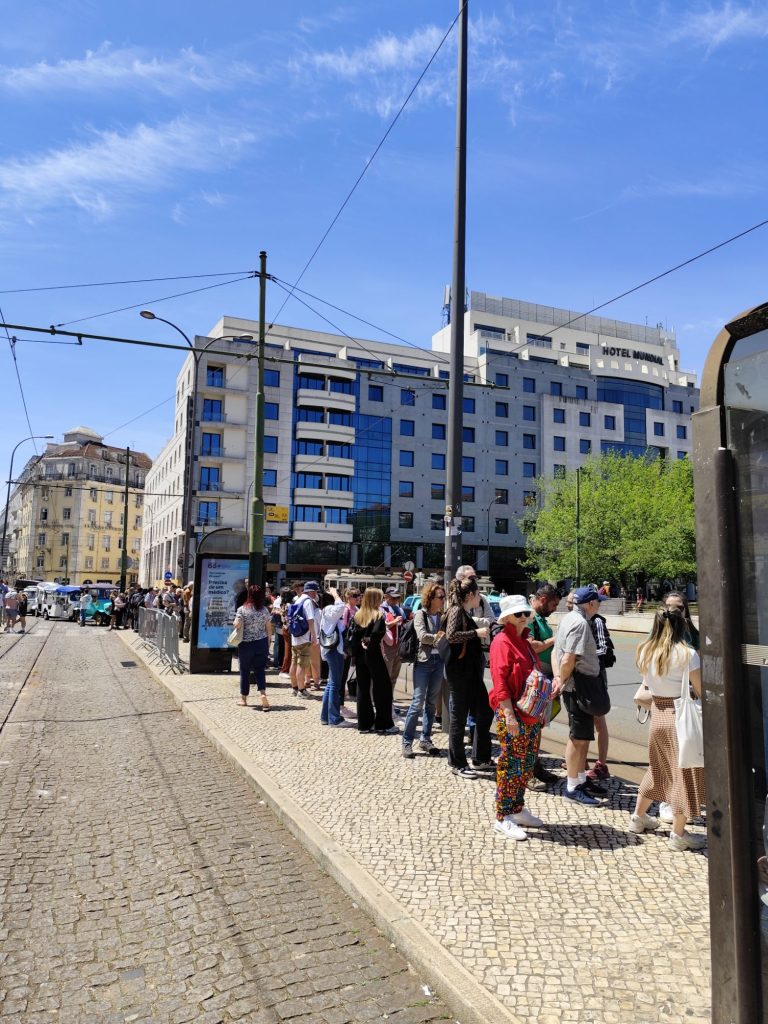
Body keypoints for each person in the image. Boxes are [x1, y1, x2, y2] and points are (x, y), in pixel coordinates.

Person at [629, 608, 706, 851]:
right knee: (685, 774)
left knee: (658, 768)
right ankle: (678, 834)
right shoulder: (687, 654)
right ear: (680, 627)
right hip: (679, 717)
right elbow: (701, 689)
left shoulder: (645, 650)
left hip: (658, 715)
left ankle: (638, 818)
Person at [490, 595, 550, 840]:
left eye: (526, 613)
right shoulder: (502, 642)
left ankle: (517, 808)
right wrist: (509, 715)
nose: (524, 617)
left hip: (530, 713)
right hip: (512, 712)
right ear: (506, 618)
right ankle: (503, 816)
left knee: (526, 764)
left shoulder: (525, 640)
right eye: (519, 614)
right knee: (511, 764)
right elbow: (500, 682)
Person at [552, 585, 610, 805]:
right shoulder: (579, 623)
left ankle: (581, 779)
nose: (600, 605)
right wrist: (562, 680)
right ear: (591, 603)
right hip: (579, 688)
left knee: (584, 736)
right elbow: (568, 658)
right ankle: (572, 787)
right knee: (577, 738)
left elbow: (558, 653)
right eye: (599, 601)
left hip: (576, 686)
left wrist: (559, 677)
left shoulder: (568, 619)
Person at [444, 575, 493, 779]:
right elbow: (451, 635)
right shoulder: (456, 610)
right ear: (471, 595)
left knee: (484, 711)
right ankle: (457, 762)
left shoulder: (463, 610)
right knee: (459, 718)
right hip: (460, 673)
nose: (480, 597)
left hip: (470, 672)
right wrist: (477, 633)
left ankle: (480, 758)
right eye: (478, 593)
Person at [402, 580, 447, 759]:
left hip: (439, 661)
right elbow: (422, 636)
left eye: (444, 597)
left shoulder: (442, 616)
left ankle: (425, 739)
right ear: (431, 598)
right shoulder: (421, 614)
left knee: (431, 703)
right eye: (440, 597)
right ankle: (406, 742)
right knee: (417, 702)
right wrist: (439, 638)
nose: (443, 600)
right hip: (423, 661)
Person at [527, 584, 562, 787]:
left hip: (543, 680)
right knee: (530, 726)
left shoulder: (541, 619)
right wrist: (555, 639)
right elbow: (532, 645)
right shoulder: (530, 617)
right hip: (533, 680)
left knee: (538, 726)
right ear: (542, 599)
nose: (555, 608)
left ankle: (535, 765)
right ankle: (528, 771)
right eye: (553, 604)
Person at [349, 587, 396, 734]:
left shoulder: (358, 615)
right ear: (376, 599)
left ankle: (364, 724)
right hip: (374, 655)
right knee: (383, 689)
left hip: (359, 657)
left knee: (363, 689)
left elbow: (353, 636)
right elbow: (377, 634)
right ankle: (383, 723)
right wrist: (370, 641)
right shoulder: (379, 615)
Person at [586, 602, 616, 782]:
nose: (569, 605)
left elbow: (604, 649)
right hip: (579, 679)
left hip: (596, 678)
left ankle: (601, 764)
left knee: (598, 720)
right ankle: (580, 761)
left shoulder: (597, 621)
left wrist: (581, 655)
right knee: (581, 721)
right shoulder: (575, 619)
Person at [233, 584, 273, 709]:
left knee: (244, 671)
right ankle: (262, 694)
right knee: (260, 670)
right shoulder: (264, 610)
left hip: (246, 644)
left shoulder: (242, 609)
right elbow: (268, 628)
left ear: (249, 595)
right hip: (261, 643)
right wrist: (268, 642)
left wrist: (237, 622)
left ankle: (243, 698)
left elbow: (237, 624)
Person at [318, 588, 349, 727]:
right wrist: (336, 594)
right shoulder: (330, 609)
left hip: (331, 650)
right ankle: (334, 718)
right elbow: (341, 607)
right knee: (335, 684)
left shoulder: (325, 611)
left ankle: (326, 716)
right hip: (334, 650)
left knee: (331, 684)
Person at [289, 582, 319, 698]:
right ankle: (301, 691)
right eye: (315, 591)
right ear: (310, 591)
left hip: (295, 636)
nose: (316, 594)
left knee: (294, 662)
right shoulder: (307, 602)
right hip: (304, 637)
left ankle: (294, 688)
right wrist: (314, 636)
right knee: (302, 664)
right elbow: (310, 620)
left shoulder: (298, 600)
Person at [380, 586, 405, 698]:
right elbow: (382, 626)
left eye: (397, 598)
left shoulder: (399, 609)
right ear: (386, 597)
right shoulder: (381, 609)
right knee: (385, 676)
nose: (396, 601)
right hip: (387, 647)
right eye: (393, 598)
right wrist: (394, 622)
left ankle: (389, 702)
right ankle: (381, 701)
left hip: (398, 646)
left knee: (394, 677)